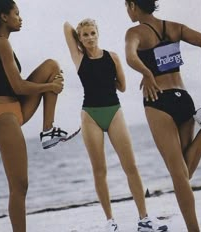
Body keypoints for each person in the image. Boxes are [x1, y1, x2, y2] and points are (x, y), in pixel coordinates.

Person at [64, 18, 168, 232]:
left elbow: (122, 86)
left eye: (93, 33)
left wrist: (106, 81)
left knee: (131, 166)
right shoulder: (79, 57)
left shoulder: (113, 57)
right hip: (90, 116)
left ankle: (144, 219)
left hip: (114, 111)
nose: (90, 38)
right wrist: (78, 36)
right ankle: (110, 221)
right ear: (80, 39)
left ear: (98, 33)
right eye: (85, 35)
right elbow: (66, 27)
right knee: (99, 170)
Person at [124, 0, 201, 231]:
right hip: (183, 97)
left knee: (179, 174)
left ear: (133, 5)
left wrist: (146, 73)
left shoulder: (135, 32)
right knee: (185, 172)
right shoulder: (174, 27)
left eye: (127, 6)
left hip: (158, 100)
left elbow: (130, 56)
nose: (127, 11)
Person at [0, 0, 68, 231]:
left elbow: (5, 81)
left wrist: (51, 84)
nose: (21, 18)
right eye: (17, 14)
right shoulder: (0, 44)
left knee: (52, 66)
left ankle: (48, 130)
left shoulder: (3, 45)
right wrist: (49, 88)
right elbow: (19, 87)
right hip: (2, 117)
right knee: (19, 186)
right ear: (4, 17)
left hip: (15, 110)